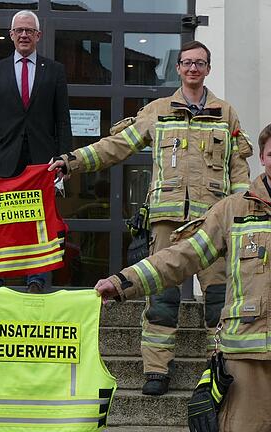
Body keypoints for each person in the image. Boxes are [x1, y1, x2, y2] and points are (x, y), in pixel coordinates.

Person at [95, 120, 271, 431]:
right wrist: (122, 282)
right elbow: (181, 257)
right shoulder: (231, 211)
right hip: (243, 355)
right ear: (262, 158)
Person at [49, 40, 253, 395]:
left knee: (220, 299)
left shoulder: (226, 113)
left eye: (199, 63)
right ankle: (157, 369)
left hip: (214, 224)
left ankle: (220, 366)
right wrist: (72, 161)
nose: (192, 68)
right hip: (167, 221)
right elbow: (117, 146)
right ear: (178, 69)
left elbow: (239, 169)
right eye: (187, 63)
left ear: (208, 68)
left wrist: (242, 215)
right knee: (161, 297)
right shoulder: (157, 110)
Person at [0, 10, 72, 293]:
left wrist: (65, 159)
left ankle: (36, 277)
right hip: (3, 156)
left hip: (42, 160)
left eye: (29, 30)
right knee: (2, 217)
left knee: (38, 219)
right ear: (11, 35)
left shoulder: (54, 71)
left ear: (38, 36)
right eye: (19, 31)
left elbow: (63, 120)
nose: (24, 35)